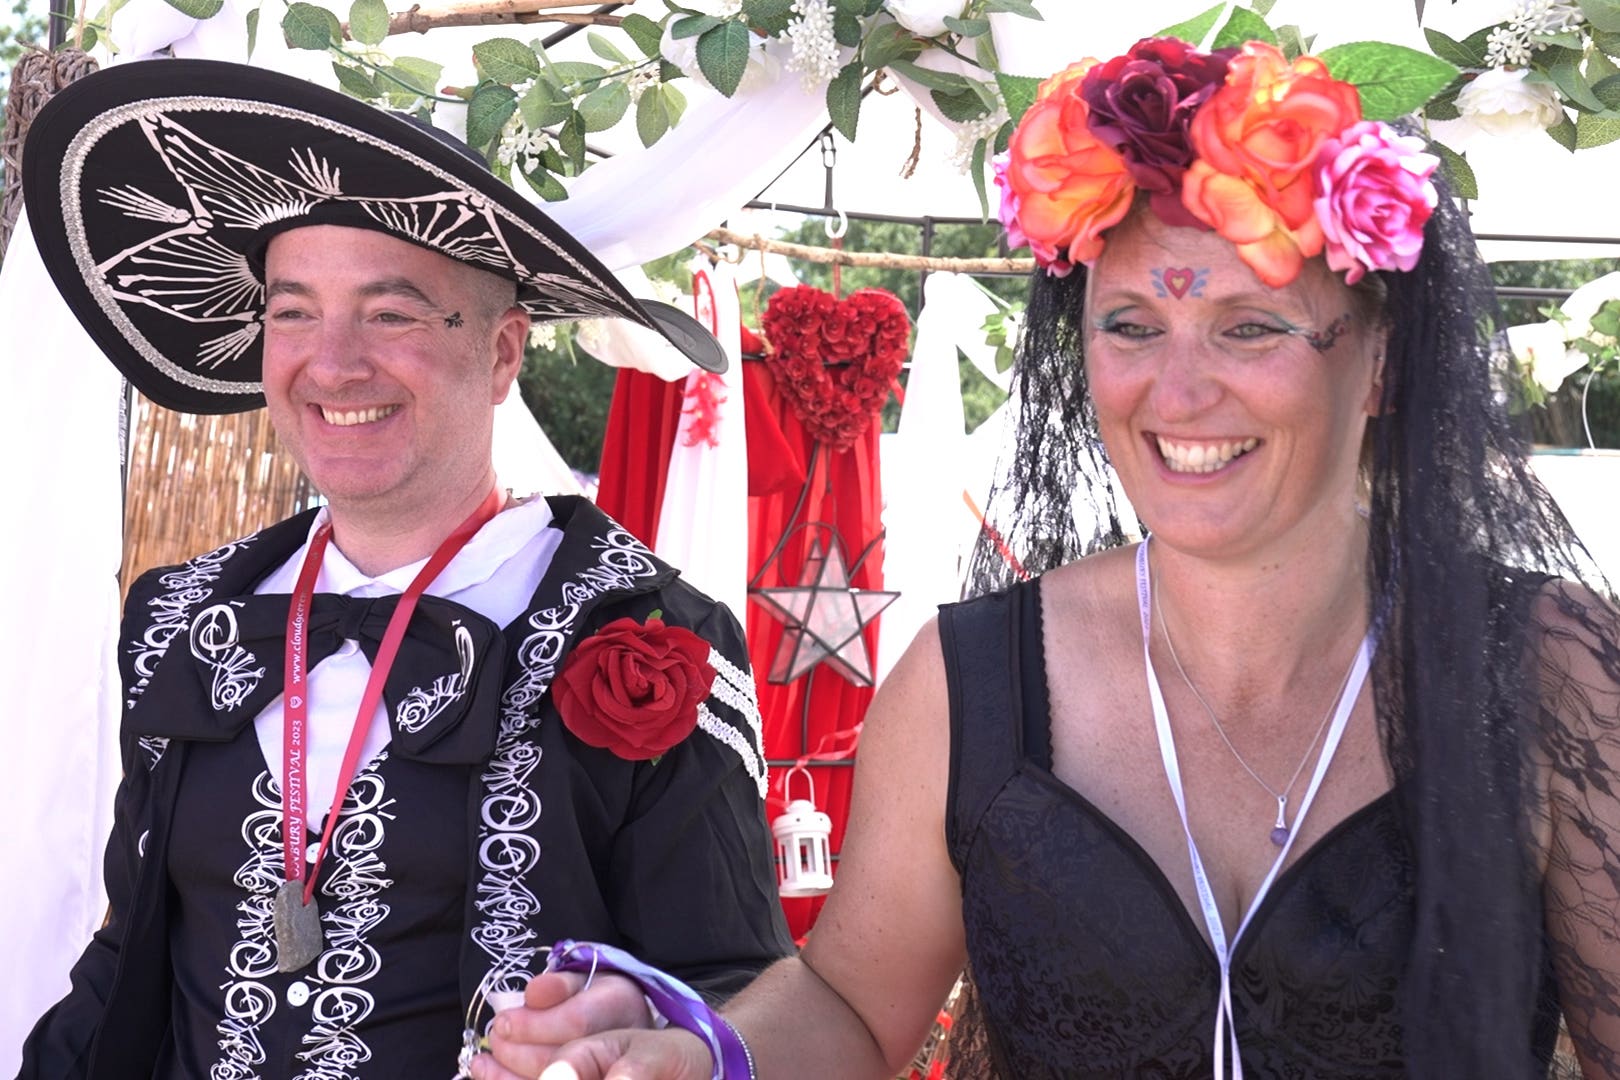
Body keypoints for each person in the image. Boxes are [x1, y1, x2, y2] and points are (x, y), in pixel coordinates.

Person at [476, 33, 1620, 1080]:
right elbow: (851, 1009)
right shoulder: (967, 681)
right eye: (1131, 327)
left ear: (1376, 366)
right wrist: (699, 1054)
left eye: (1251, 325)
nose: (1177, 392)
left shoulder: (1547, 670)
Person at [16, 59, 793, 1078]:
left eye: (391, 314)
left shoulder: (644, 640)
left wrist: (639, 1028)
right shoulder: (184, 618)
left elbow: (738, 988)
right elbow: (131, 963)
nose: (332, 363)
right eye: (293, 311)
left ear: (505, 350)